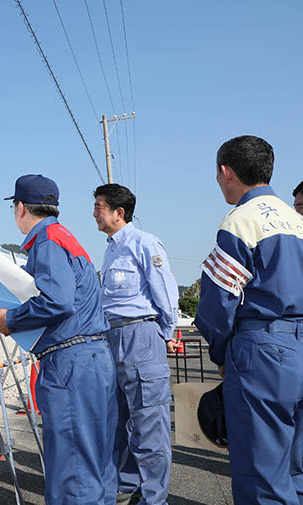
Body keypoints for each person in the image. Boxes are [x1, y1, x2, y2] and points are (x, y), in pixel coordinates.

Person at [0, 174, 117, 504]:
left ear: (20, 208)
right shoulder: (62, 237)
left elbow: (57, 300)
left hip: (70, 364)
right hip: (92, 358)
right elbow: (42, 286)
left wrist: (11, 319)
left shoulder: (46, 242)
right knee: (95, 462)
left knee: (73, 469)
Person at [195, 135, 303, 504]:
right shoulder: (296, 218)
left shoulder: (241, 221)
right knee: (297, 468)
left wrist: (223, 353)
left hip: (265, 352)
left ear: (226, 172)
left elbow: (216, 302)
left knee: (262, 475)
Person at [92, 184, 180, 505]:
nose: (94, 212)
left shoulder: (143, 243)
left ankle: (154, 498)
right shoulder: (111, 247)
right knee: (118, 418)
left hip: (140, 336)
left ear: (119, 212)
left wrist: (166, 334)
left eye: (99, 206)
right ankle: (127, 483)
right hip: (112, 337)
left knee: (148, 422)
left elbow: (166, 294)